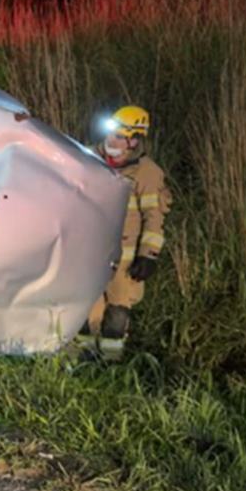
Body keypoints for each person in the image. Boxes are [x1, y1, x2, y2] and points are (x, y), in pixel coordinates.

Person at [77, 105, 171, 360]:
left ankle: (111, 364)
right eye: (111, 134)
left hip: (125, 259)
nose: (112, 141)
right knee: (86, 311)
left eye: (120, 136)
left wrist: (148, 255)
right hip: (90, 253)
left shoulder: (147, 173)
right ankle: (84, 362)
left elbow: (154, 217)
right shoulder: (87, 159)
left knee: (117, 314)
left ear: (134, 140)